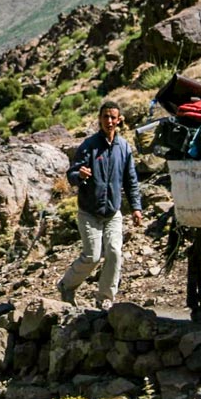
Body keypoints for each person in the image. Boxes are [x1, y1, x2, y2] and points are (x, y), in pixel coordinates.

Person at [58, 100, 144, 311]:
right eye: (105, 117)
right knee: (93, 256)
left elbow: (130, 180)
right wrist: (80, 175)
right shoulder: (89, 146)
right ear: (99, 119)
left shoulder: (123, 147)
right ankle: (66, 285)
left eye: (113, 117)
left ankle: (105, 297)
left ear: (119, 120)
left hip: (113, 211)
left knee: (114, 252)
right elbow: (71, 174)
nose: (109, 121)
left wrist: (136, 207)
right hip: (89, 211)